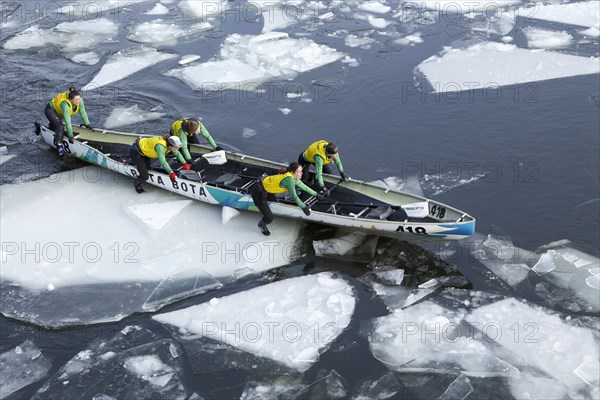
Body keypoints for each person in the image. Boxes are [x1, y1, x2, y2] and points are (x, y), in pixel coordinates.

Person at [251, 162, 323, 236]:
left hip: (267, 189)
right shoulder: (289, 180)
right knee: (269, 218)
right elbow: (294, 196)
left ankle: (269, 202)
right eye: (299, 171)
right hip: (259, 192)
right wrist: (304, 207)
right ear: (292, 172)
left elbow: (304, 187)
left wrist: (316, 194)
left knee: (275, 202)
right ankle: (262, 224)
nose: (301, 173)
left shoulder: (293, 177)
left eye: (301, 171)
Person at [35, 87, 93, 157]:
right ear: (70, 99)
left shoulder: (79, 101)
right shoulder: (65, 105)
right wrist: (70, 136)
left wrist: (88, 124)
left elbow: (83, 113)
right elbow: (68, 122)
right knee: (60, 127)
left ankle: (39, 127)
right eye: (75, 100)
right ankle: (59, 147)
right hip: (50, 110)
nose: (78, 101)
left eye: (79, 99)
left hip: (59, 112)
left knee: (54, 128)